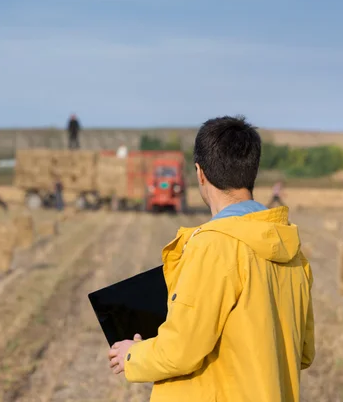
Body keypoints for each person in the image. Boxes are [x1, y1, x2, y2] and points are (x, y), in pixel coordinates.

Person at [108, 116, 315, 401]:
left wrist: (132, 355)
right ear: (251, 171)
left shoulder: (214, 246)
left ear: (200, 173)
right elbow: (303, 352)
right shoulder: (293, 253)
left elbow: (182, 349)